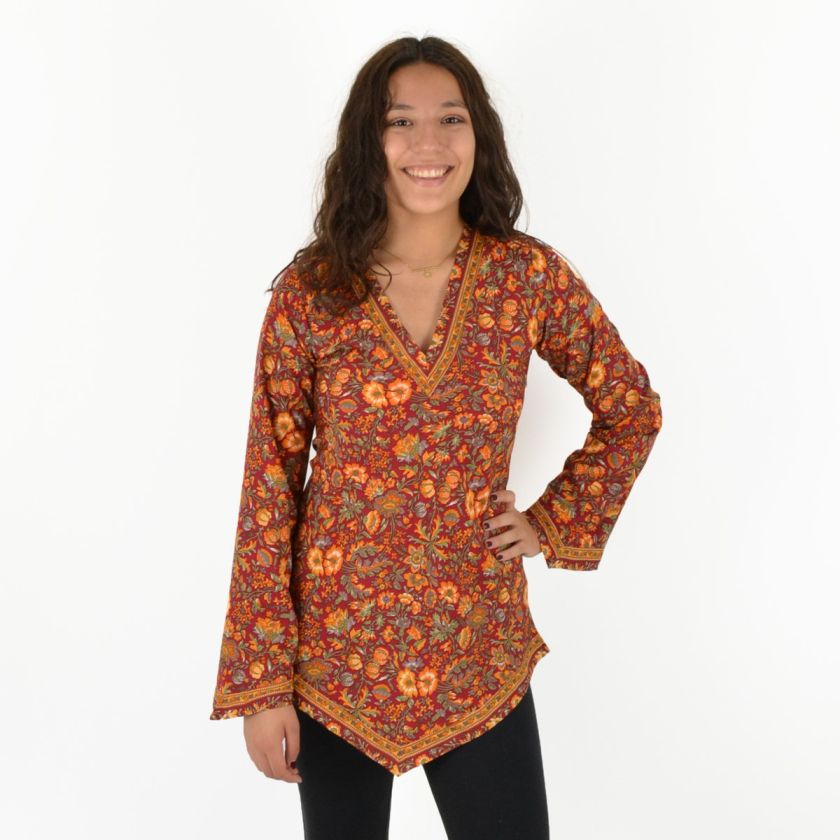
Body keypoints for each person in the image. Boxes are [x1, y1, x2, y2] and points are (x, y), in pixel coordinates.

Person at [209, 35, 663, 840]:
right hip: (336, 660)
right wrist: (262, 684)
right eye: (401, 121)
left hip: (477, 647)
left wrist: (553, 522)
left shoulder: (526, 278)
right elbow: (268, 486)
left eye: (450, 118)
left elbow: (631, 406)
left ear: (477, 135)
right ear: (369, 140)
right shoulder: (313, 293)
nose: (428, 143)